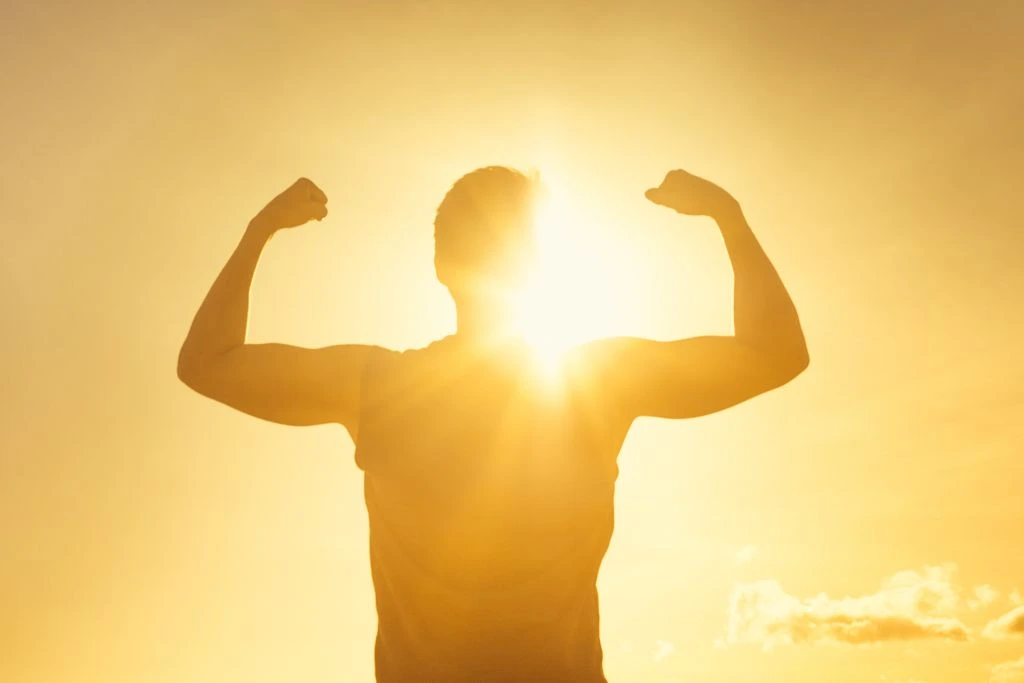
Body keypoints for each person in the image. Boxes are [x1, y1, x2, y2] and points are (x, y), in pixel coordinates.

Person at [177, 165, 809, 682]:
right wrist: (728, 215)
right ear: (542, 266)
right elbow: (776, 354)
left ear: (440, 267)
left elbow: (206, 364)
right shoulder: (598, 383)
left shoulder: (378, 387)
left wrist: (261, 231)